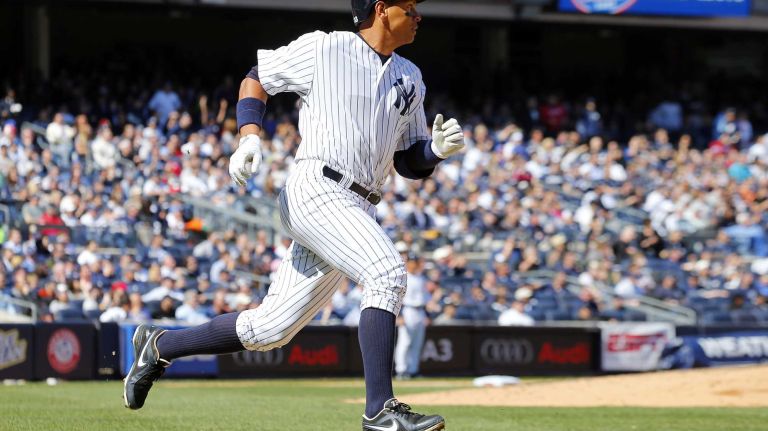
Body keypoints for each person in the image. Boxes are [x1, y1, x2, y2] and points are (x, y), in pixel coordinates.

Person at [123, 1, 463, 430]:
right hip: (316, 187)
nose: (418, 16)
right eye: (409, 7)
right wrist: (248, 138)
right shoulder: (325, 48)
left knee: (269, 330)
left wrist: (435, 151)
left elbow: (408, 162)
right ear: (380, 9)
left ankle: (160, 344)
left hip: (357, 205)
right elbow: (257, 78)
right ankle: (380, 408)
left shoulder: (410, 75)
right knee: (386, 272)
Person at [394, 252, 429, 379]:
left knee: (417, 343)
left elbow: (425, 298)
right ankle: (401, 370)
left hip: (420, 311)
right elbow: (400, 297)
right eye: (412, 261)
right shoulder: (404, 277)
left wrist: (426, 314)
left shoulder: (421, 277)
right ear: (408, 263)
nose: (414, 264)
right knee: (405, 342)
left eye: (416, 261)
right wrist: (400, 315)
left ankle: (413, 370)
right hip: (408, 310)